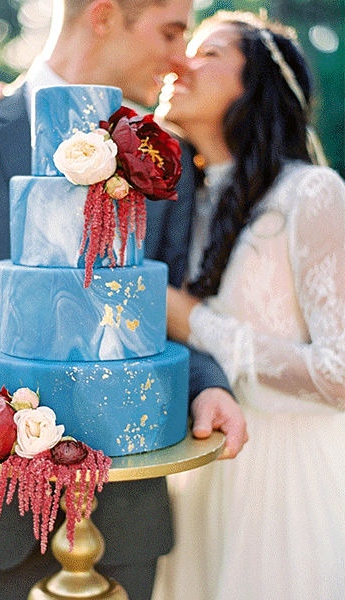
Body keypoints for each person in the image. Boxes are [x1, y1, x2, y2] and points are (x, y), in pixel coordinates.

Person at [0, 1, 247, 599]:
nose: (181, 58)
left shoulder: (163, 164)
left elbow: (166, 316)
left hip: (125, 521)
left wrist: (208, 385)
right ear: (103, 16)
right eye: (171, 32)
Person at [150, 12, 345, 600]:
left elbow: (339, 373)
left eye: (208, 53)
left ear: (256, 83)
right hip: (201, 474)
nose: (180, 62)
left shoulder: (312, 194)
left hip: (287, 483)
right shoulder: (180, 200)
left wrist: (194, 323)